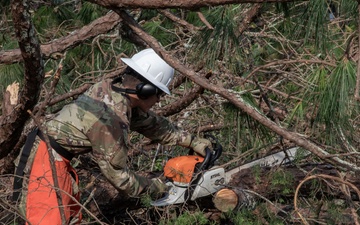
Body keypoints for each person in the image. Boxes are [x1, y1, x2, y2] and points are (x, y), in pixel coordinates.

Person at [13, 48, 212, 225]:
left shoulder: (114, 90)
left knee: (69, 218)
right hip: (46, 159)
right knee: (47, 220)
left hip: (54, 155)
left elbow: (152, 124)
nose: (159, 100)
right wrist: (160, 188)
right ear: (145, 90)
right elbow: (120, 178)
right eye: (158, 94)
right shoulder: (110, 117)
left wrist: (193, 141)